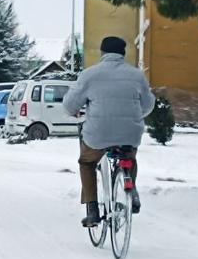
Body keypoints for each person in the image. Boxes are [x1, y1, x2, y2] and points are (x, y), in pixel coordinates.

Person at [62, 36, 155, 227]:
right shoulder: (137, 75)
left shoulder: (89, 75)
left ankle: (93, 209)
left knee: (86, 163)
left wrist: (75, 111)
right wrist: (136, 114)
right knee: (129, 156)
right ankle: (131, 188)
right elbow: (148, 104)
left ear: (102, 53)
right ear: (123, 53)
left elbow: (70, 105)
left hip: (98, 134)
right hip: (130, 133)